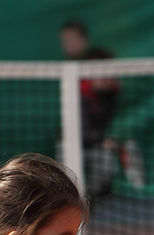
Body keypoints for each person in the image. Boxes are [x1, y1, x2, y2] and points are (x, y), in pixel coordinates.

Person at [58, 19, 125, 199]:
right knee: (66, 179)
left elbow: (117, 120)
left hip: (96, 147)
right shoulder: (79, 90)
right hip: (72, 143)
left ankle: (88, 200)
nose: (101, 76)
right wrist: (101, 139)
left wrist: (112, 138)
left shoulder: (112, 93)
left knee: (107, 167)